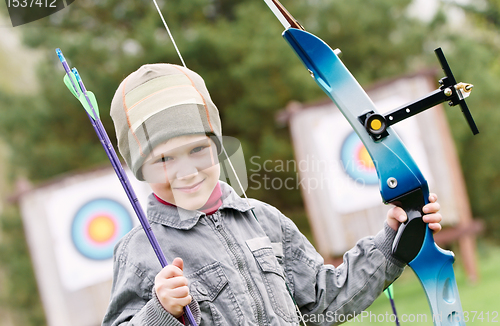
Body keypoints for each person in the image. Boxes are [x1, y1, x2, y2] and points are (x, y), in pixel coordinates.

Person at [102, 63, 442, 326]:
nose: (186, 171)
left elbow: (323, 302)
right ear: (140, 168)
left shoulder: (262, 219)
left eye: (197, 149)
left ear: (216, 146)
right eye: (164, 159)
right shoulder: (140, 251)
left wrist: (393, 242)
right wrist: (161, 312)